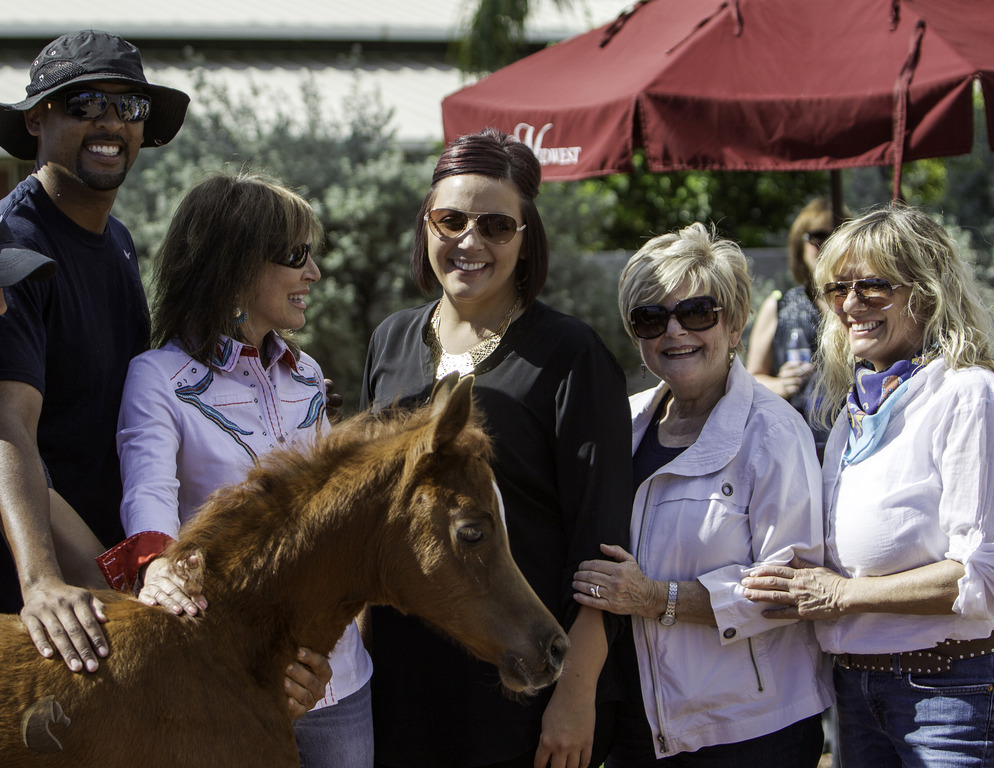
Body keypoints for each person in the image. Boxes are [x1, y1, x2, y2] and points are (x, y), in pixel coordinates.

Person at [360, 127, 632, 768]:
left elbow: (601, 553)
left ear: (526, 235)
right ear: (424, 223)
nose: (470, 242)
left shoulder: (571, 356)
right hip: (400, 680)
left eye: (496, 226)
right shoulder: (391, 340)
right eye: (450, 219)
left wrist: (576, 693)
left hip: (526, 687)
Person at [98, 171, 373, 766]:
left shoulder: (307, 376)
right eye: (296, 255)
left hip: (338, 675)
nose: (314, 274)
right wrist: (158, 570)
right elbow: (148, 495)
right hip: (227, 682)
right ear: (235, 263)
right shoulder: (157, 376)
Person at [742, 205, 994, 767]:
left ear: (926, 292)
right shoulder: (853, 411)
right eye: (837, 289)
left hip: (946, 691)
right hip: (855, 688)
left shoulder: (967, 393)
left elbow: (979, 573)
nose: (850, 305)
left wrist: (839, 594)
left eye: (874, 287)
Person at [572, 223, 832, 766]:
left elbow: (790, 586)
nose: (674, 332)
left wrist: (654, 598)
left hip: (750, 732)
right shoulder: (624, 423)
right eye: (650, 318)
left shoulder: (775, 433)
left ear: (735, 324)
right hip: (640, 727)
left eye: (696, 313)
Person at [0, 30, 190, 669]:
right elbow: (7, 431)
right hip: (40, 610)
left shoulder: (121, 242)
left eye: (128, 107)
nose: (110, 122)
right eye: (84, 104)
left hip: (108, 576)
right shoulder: (11, 249)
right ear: (37, 119)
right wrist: (43, 581)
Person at [746, 197, 844, 455]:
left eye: (838, 234)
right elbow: (750, 380)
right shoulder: (779, 305)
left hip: (850, 439)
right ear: (799, 245)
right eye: (818, 236)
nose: (827, 244)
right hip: (793, 444)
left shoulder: (858, 306)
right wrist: (780, 384)